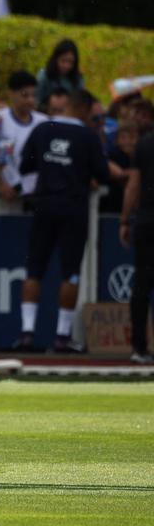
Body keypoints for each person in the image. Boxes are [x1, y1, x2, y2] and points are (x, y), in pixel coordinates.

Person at [15, 89, 125, 353]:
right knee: (71, 272)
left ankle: (27, 333)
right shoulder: (87, 136)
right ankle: (62, 337)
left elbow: (24, 165)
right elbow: (102, 172)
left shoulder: (42, 129)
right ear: (85, 110)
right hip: (74, 209)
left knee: (34, 270)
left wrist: (50, 167)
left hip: (44, 206)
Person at [120, 129, 154, 364]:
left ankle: (139, 348)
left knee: (142, 284)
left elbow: (134, 184)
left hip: (147, 220)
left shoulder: (145, 142)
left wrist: (124, 219)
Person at [0, 70, 49, 200]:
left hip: (34, 194)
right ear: (11, 94)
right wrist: (0, 183)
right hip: (4, 194)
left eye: (34, 95)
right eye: (25, 95)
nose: (30, 100)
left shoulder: (44, 122)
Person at [37, 39, 84, 109]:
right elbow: (37, 102)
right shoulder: (44, 76)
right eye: (63, 61)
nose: (66, 66)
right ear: (55, 59)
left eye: (70, 62)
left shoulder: (77, 78)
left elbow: (80, 102)